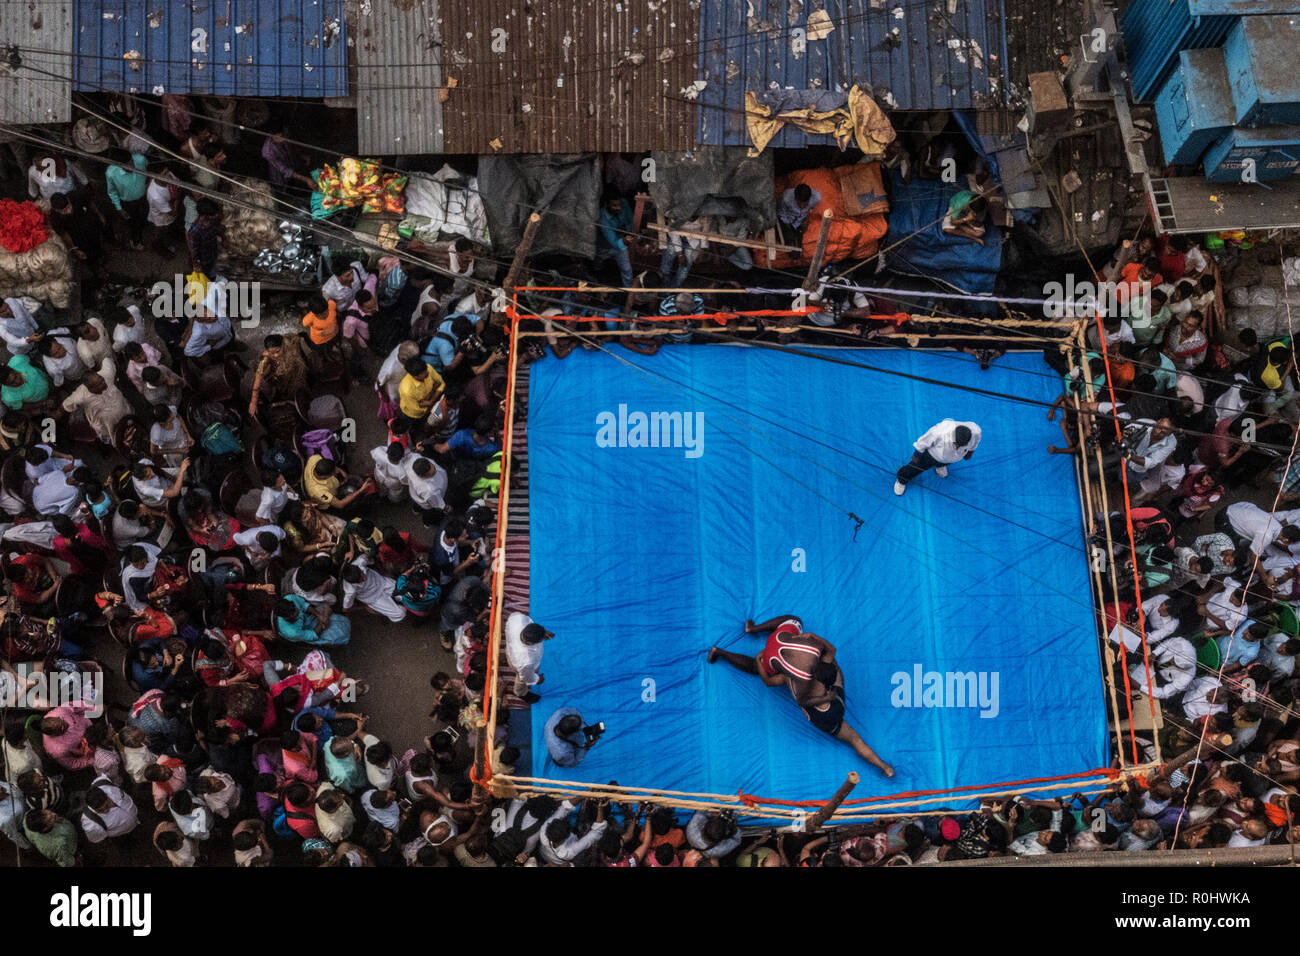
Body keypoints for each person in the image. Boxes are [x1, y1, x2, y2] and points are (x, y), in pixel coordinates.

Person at [707, 615, 893, 776]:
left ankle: (729, 645)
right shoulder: (822, 674)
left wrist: (759, 661)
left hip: (819, 702)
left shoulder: (792, 678)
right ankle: (885, 768)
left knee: (762, 663)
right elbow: (830, 656)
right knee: (855, 739)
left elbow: (770, 682)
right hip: (831, 708)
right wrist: (827, 697)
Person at [894, 419, 981, 495]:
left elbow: (975, 443)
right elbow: (923, 442)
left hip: (950, 459)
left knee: (945, 462)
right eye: (956, 445)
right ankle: (902, 479)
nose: (957, 448)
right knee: (915, 468)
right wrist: (916, 455)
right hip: (931, 456)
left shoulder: (975, 431)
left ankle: (940, 466)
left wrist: (970, 453)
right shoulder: (940, 431)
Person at [504, 613, 553, 703]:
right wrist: (537, 679)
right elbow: (526, 676)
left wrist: (542, 632)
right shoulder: (526, 660)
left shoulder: (518, 619)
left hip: (510, 649)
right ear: (530, 643)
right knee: (521, 678)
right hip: (518, 664)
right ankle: (520, 693)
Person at [595, 194, 635, 287]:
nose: (619, 208)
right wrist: (625, 240)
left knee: (627, 269)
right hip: (605, 246)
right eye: (614, 205)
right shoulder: (603, 219)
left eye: (619, 205)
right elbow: (613, 242)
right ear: (607, 204)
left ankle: (628, 289)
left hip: (621, 242)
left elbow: (631, 220)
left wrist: (628, 231)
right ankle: (597, 274)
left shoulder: (624, 204)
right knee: (598, 261)